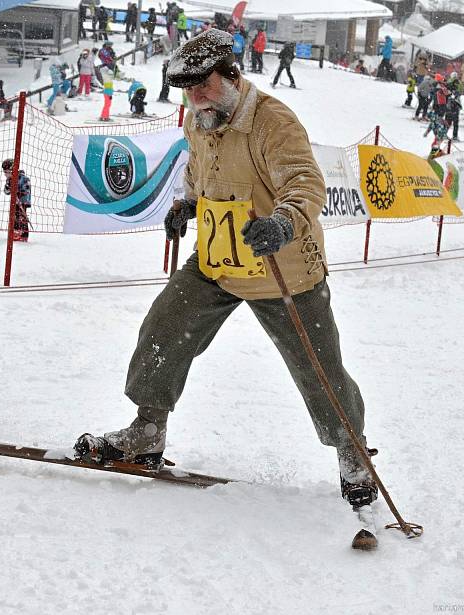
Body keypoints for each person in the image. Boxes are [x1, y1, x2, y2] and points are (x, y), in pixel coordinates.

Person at [73, 28, 379, 511]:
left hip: (282, 265)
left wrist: (283, 221)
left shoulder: (272, 122)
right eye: (188, 90)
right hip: (218, 259)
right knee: (164, 327)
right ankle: (148, 429)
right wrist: (187, 205)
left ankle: (352, 450)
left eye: (205, 85)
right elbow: (199, 171)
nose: (196, 97)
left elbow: (305, 183)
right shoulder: (199, 120)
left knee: (317, 367)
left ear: (232, 75)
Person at [2, 159, 32, 242]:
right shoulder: (9, 180)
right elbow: (6, 192)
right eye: (5, 172)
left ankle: (23, 234)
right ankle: (15, 231)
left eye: (7, 172)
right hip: (14, 201)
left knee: (21, 216)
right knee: (14, 216)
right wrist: (8, 188)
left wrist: (19, 192)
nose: (6, 174)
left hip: (23, 201)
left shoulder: (23, 178)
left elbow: (27, 188)